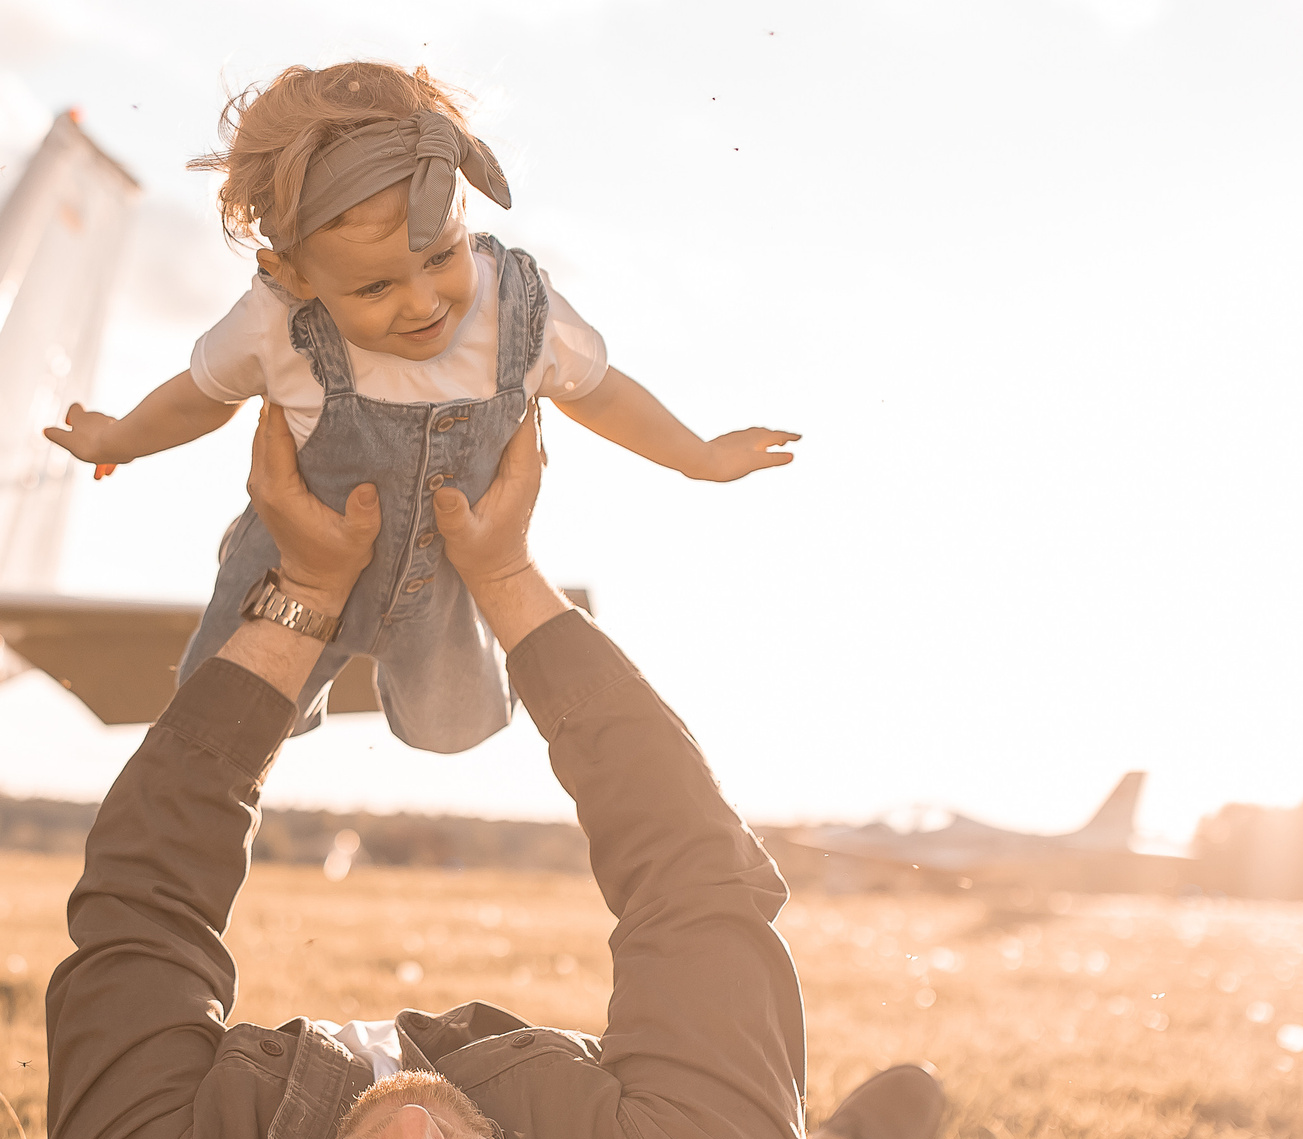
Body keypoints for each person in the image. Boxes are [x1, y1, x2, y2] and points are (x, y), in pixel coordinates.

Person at [41, 400, 944, 1139]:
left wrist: (305, 592)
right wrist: (510, 581)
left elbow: (145, 899)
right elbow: (691, 882)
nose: (413, 1132)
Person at [43, 62, 798, 755]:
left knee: (455, 729)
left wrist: (697, 456)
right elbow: (198, 396)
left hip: (442, 575)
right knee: (217, 724)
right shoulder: (276, 322)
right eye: (374, 289)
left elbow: (599, 392)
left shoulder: (515, 313)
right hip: (291, 563)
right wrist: (123, 437)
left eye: (442, 255)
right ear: (294, 274)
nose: (424, 302)